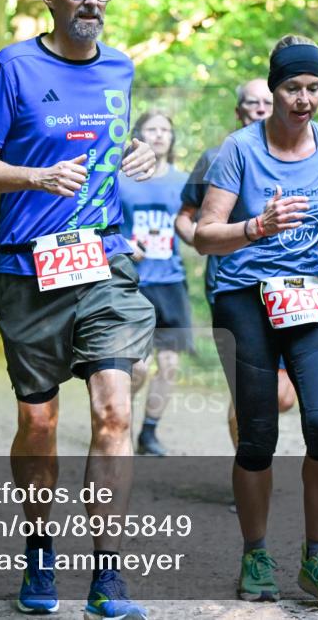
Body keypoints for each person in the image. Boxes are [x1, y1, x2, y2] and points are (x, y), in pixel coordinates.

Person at [0, 0, 156, 618]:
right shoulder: (14, 67)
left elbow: (116, 150)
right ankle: (41, 549)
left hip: (103, 261)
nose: (92, 0)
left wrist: (144, 155)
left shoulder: (121, 67)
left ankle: (108, 574)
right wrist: (35, 178)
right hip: (28, 268)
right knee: (38, 420)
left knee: (113, 409)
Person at [194, 35, 318, 612]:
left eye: (313, 87)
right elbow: (203, 234)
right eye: (293, 87)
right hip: (245, 295)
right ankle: (256, 552)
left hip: (313, 293)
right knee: (259, 433)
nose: (304, 98)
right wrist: (257, 227)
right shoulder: (239, 150)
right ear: (273, 90)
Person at [175, 79, 296, 456]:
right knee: (247, 386)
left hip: (287, 285)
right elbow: (185, 215)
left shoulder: (294, 155)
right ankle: (251, 470)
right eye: (251, 103)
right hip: (228, 284)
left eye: (265, 102)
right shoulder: (214, 157)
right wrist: (199, 238)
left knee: (283, 396)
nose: (260, 108)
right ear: (238, 111)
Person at [120, 110, 192, 456]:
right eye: (152, 129)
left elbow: (195, 225)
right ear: (138, 136)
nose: (160, 135)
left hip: (171, 281)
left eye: (166, 129)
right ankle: (116, 421)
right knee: (137, 370)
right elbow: (103, 225)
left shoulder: (183, 181)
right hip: (133, 283)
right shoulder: (120, 180)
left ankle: (148, 435)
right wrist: (125, 248)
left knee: (169, 365)